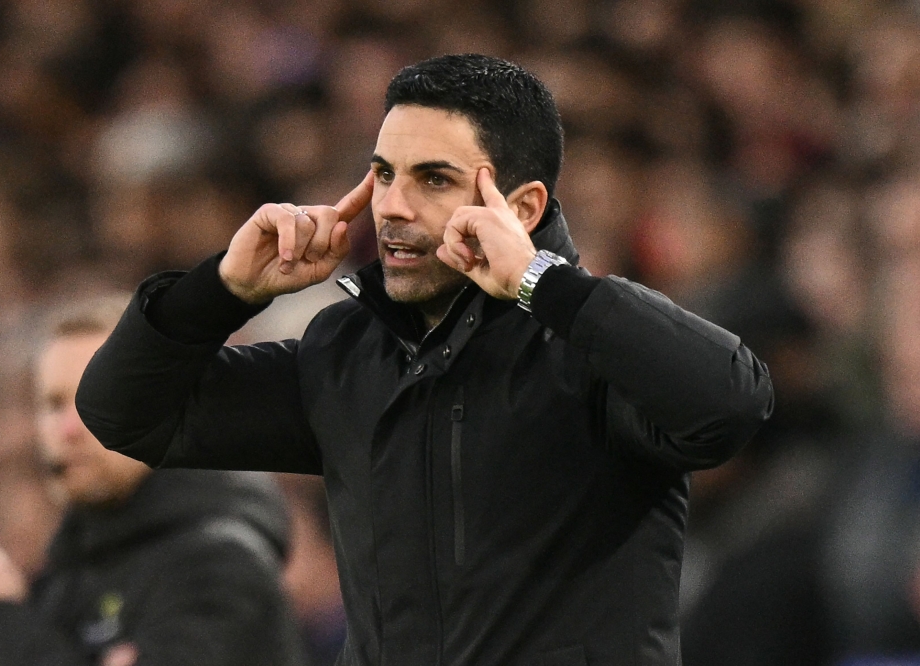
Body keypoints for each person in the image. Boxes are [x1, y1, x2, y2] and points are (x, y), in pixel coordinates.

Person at [75, 54, 774, 665]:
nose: (392, 207)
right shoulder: (343, 355)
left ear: (523, 206)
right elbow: (126, 414)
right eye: (384, 174)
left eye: (433, 179)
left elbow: (729, 404)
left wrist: (544, 284)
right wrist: (222, 291)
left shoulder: (591, 345)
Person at [0, 294, 307, 666]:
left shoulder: (220, 563)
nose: (67, 429)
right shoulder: (64, 577)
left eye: (95, 399)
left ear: (168, 406)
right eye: (52, 404)